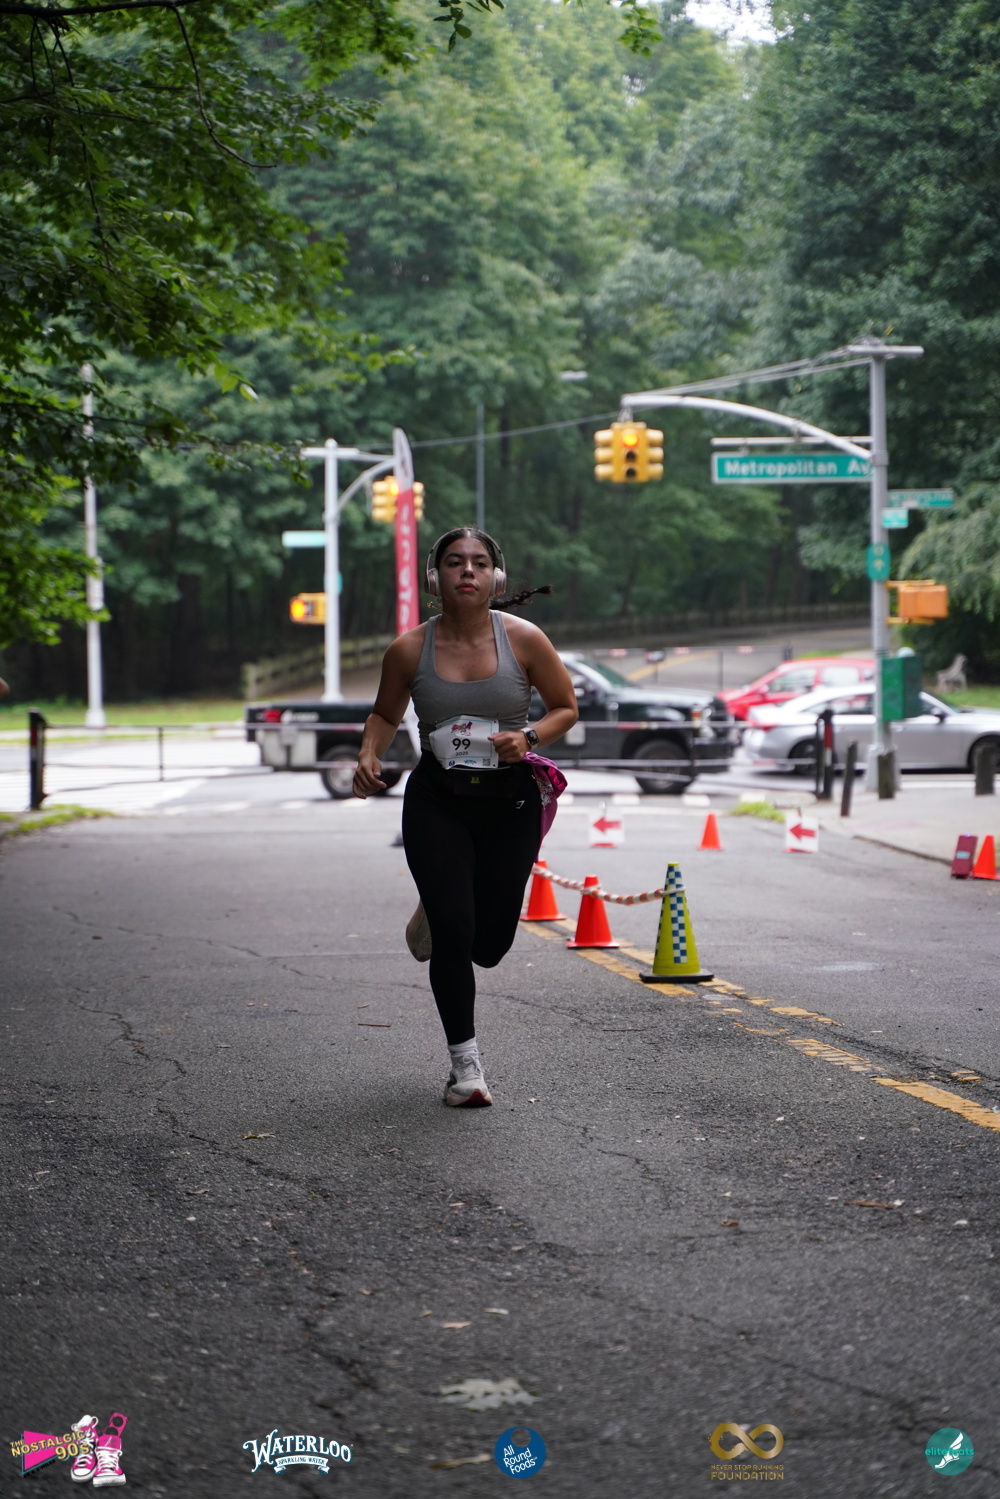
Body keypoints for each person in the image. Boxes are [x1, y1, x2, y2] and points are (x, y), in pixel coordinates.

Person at [353, 527, 578, 1108]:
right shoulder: (408, 650)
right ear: (436, 578)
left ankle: (443, 902)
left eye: (479, 563)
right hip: (438, 800)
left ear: (495, 578)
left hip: (510, 803)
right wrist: (369, 752)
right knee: (456, 934)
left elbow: (565, 709)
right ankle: (466, 1068)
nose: (467, 572)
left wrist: (528, 737)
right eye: (455, 562)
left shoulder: (524, 640)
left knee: (490, 943)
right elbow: (384, 714)